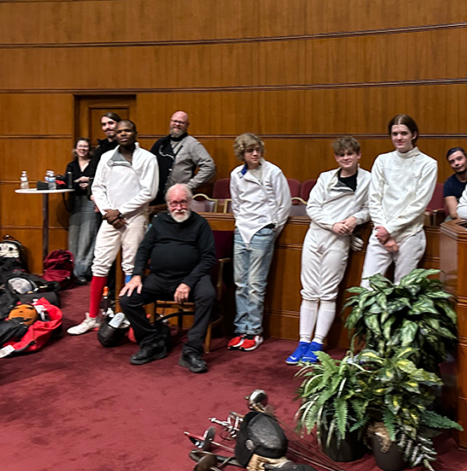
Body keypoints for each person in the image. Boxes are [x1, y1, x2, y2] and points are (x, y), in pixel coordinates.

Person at [68, 119, 158, 335]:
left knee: (130, 266)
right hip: (110, 218)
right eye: (120, 131)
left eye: (128, 130)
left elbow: (149, 192)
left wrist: (121, 211)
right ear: (114, 135)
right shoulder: (107, 157)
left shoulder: (148, 158)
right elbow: (97, 187)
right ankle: (92, 317)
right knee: (100, 264)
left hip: (135, 218)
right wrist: (110, 211)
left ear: (135, 133)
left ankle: (127, 316)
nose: (123, 134)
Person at [288, 136, 370, 365]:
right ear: (336, 157)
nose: (346, 158)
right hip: (316, 236)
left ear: (358, 155)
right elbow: (312, 207)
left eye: (350, 154)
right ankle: (303, 342)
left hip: (340, 239)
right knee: (309, 291)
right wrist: (331, 224)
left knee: (327, 292)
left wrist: (354, 219)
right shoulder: (325, 178)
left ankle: (317, 343)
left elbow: (369, 209)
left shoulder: (368, 180)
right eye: (341, 154)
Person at [118, 184, 217, 373]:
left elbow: (208, 258)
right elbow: (143, 250)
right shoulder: (159, 221)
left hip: (191, 278)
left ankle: (192, 350)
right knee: (127, 299)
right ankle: (152, 342)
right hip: (159, 278)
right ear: (168, 205)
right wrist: (137, 275)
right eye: (174, 203)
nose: (178, 207)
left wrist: (187, 282)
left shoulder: (200, 224)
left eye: (182, 202)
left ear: (189, 202)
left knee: (208, 295)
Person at [228, 133, 291, 352]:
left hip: (263, 230)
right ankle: (241, 329)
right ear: (242, 153)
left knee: (255, 284)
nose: (255, 154)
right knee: (240, 283)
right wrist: (242, 224)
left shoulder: (273, 172)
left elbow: (284, 205)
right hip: (242, 229)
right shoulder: (236, 174)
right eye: (250, 151)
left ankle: (254, 331)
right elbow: (236, 204)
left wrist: (272, 229)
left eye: (257, 150)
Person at [362, 114, 438, 287]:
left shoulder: (428, 164)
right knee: (367, 288)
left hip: (409, 234)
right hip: (380, 233)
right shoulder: (382, 160)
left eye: (403, 133)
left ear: (414, 135)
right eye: (395, 134)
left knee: (402, 291)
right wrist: (383, 231)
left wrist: (390, 229)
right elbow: (374, 199)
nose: (399, 138)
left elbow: (419, 205)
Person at [150, 111, 216, 205]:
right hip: (157, 198)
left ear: (187, 125)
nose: (177, 124)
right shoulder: (161, 143)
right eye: (175, 121)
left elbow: (209, 166)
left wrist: (189, 186)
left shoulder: (192, 144)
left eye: (181, 122)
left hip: (180, 198)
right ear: (170, 122)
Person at [64, 137, 101, 283]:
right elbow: (66, 182)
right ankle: (72, 271)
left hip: (89, 201)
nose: (83, 149)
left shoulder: (94, 164)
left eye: (85, 146)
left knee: (88, 236)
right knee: (74, 236)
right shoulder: (71, 165)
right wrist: (77, 182)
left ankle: (83, 270)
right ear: (75, 149)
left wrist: (89, 182)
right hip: (75, 202)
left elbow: (98, 180)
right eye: (80, 146)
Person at [443, 147, 467, 220]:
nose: (456, 163)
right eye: (452, 161)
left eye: (459, 159)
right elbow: (454, 213)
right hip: (460, 216)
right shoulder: (449, 183)